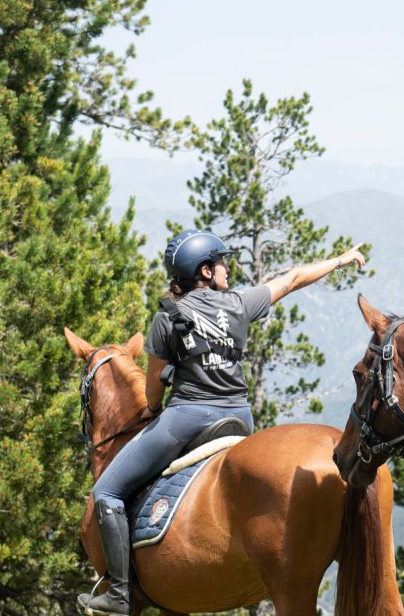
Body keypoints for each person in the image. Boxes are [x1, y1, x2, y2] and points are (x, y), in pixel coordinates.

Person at [77, 229, 366, 616]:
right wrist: (339, 260)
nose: (227, 268)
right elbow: (292, 279)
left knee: (107, 493)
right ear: (206, 271)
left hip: (187, 419)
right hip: (238, 418)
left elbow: (153, 386)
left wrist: (151, 405)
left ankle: (119, 594)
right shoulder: (239, 303)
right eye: (222, 262)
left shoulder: (169, 316)